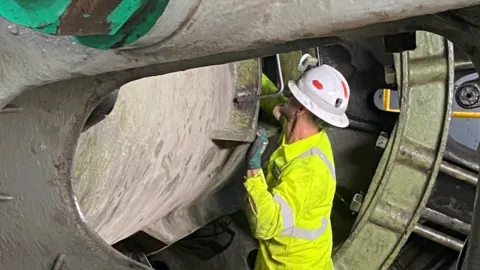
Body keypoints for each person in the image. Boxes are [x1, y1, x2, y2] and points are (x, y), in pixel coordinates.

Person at [244, 54, 350, 270]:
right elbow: (275, 102)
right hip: (281, 256)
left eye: (293, 95)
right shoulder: (302, 131)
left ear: (301, 109)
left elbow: (266, 225)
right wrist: (247, 71)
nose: (288, 97)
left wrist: (254, 169)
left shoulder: (310, 173)